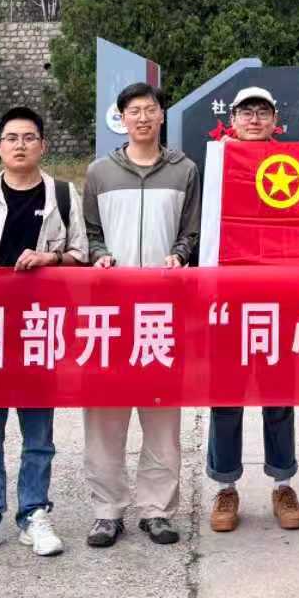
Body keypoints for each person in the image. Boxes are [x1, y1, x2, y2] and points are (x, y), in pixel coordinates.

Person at [0, 105, 88, 561]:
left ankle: (33, 515)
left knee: (38, 435)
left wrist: (51, 258)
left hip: (39, 330)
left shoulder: (62, 194)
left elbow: (80, 255)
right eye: (12, 138)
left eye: (29, 137)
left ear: (43, 145)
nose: (20, 145)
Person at [81, 82, 201, 549]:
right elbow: (89, 231)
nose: (143, 117)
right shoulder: (99, 172)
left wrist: (180, 254)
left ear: (161, 115)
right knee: (104, 416)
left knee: (162, 416)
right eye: (134, 110)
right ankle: (107, 510)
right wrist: (100, 255)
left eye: (150, 109)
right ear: (122, 118)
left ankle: (157, 510)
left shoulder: (184, 169)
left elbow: (191, 230)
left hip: (163, 311)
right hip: (109, 313)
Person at [206, 86, 299, 534]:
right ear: (232, 119)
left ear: (274, 121)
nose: (253, 119)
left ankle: (283, 483)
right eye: (245, 111)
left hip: (279, 300)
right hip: (228, 301)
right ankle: (225, 486)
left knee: (278, 394)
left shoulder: (294, 165)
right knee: (226, 397)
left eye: (262, 111)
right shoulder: (216, 164)